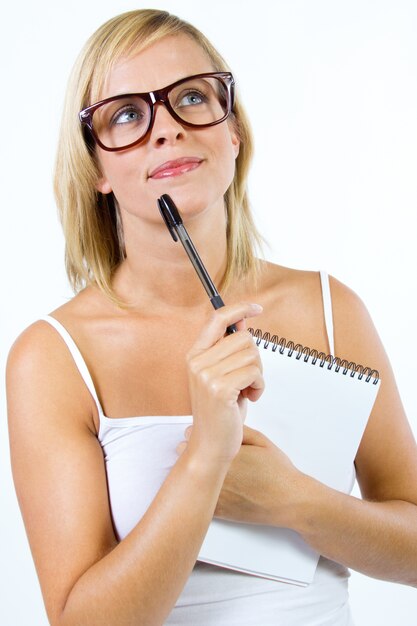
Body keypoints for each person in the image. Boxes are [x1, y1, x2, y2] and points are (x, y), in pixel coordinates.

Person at [6, 8, 417, 626]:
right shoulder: (54, 357)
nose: (166, 129)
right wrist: (204, 461)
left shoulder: (333, 310)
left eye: (192, 98)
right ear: (96, 169)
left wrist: (296, 501)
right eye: (126, 115)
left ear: (234, 133)